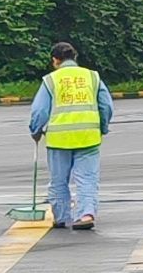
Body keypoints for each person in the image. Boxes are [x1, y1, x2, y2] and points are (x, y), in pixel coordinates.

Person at [25, 42, 110, 230]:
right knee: (87, 178)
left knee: (58, 179)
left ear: (55, 60)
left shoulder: (51, 80)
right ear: (74, 57)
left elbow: (39, 111)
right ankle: (86, 214)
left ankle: (61, 216)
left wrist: (35, 130)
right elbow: (106, 106)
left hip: (58, 140)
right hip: (88, 137)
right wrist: (102, 127)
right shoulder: (92, 77)